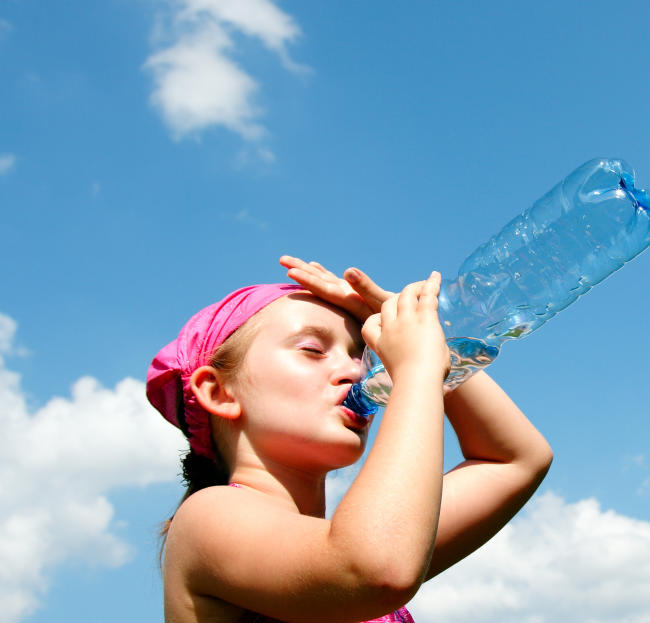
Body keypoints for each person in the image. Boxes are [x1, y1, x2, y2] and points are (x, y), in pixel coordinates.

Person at [148, 255, 553, 623]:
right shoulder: (207, 519)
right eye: (312, 349)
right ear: (219, 392)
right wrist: (416, 369)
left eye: (362, 354)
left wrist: (424, 341)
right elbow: (373, 570)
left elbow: (515, 460)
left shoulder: (370, 534)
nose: (357, 372)